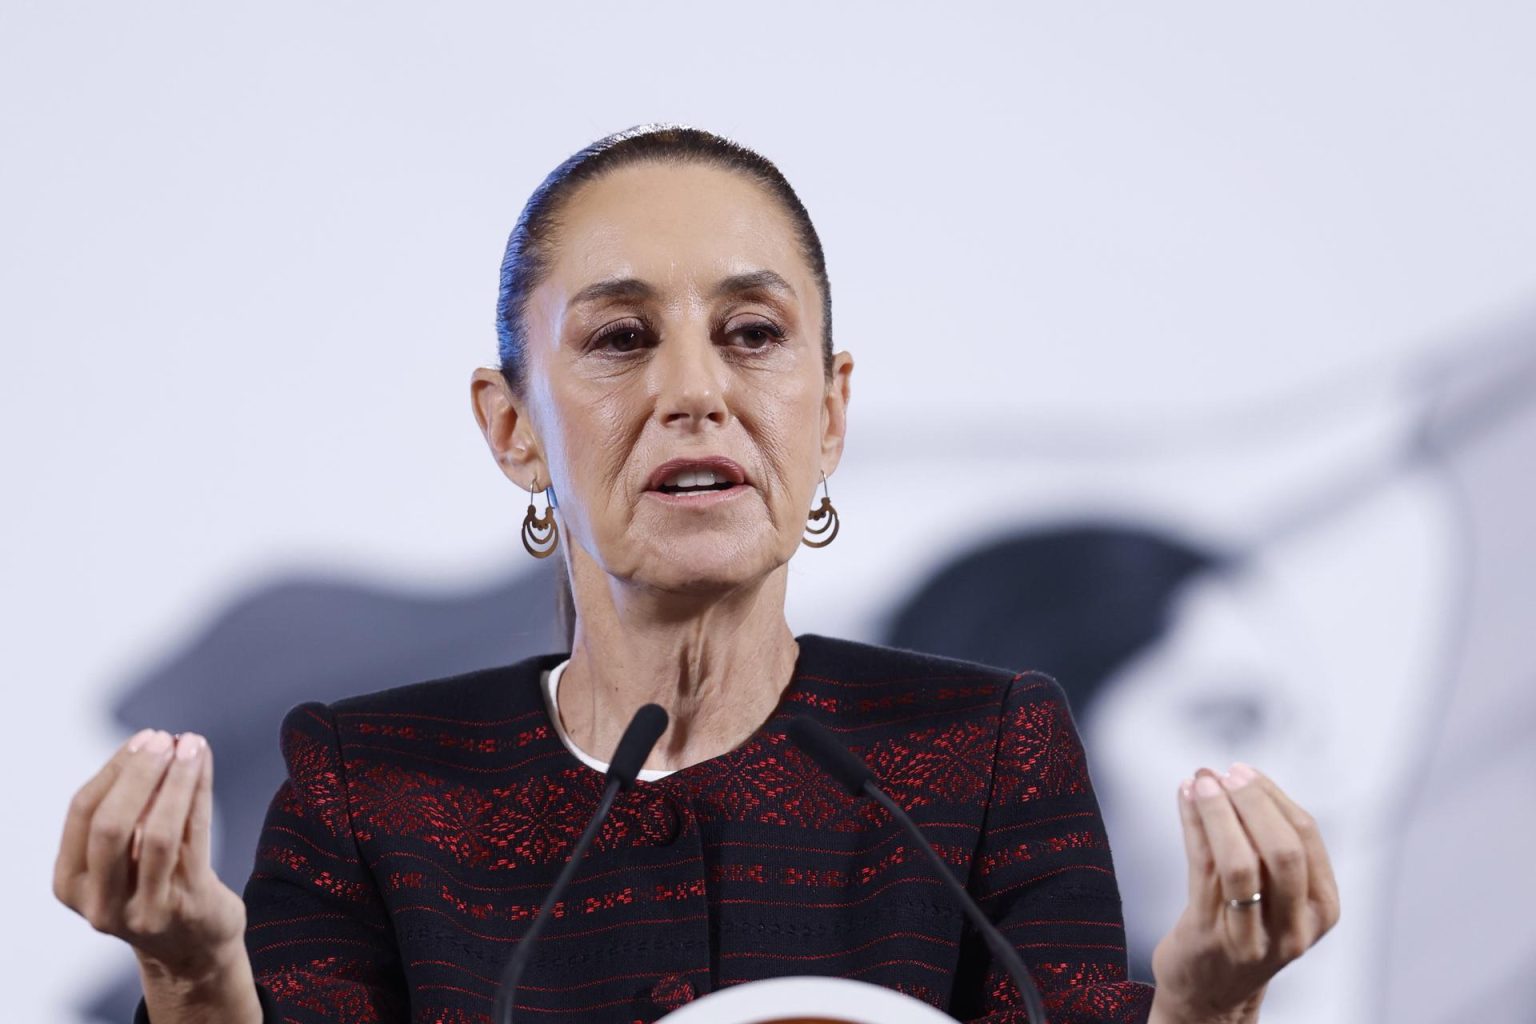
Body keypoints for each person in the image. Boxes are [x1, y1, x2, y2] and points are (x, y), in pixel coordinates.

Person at [53, 124, 1339, 1024]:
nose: (693, 393)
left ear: (829, 415)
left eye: (752, 335)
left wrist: (1212, 1002)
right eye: (621, 338)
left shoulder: (988, 756)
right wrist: (189, 973)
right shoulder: (371, 783)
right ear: (512, 428)